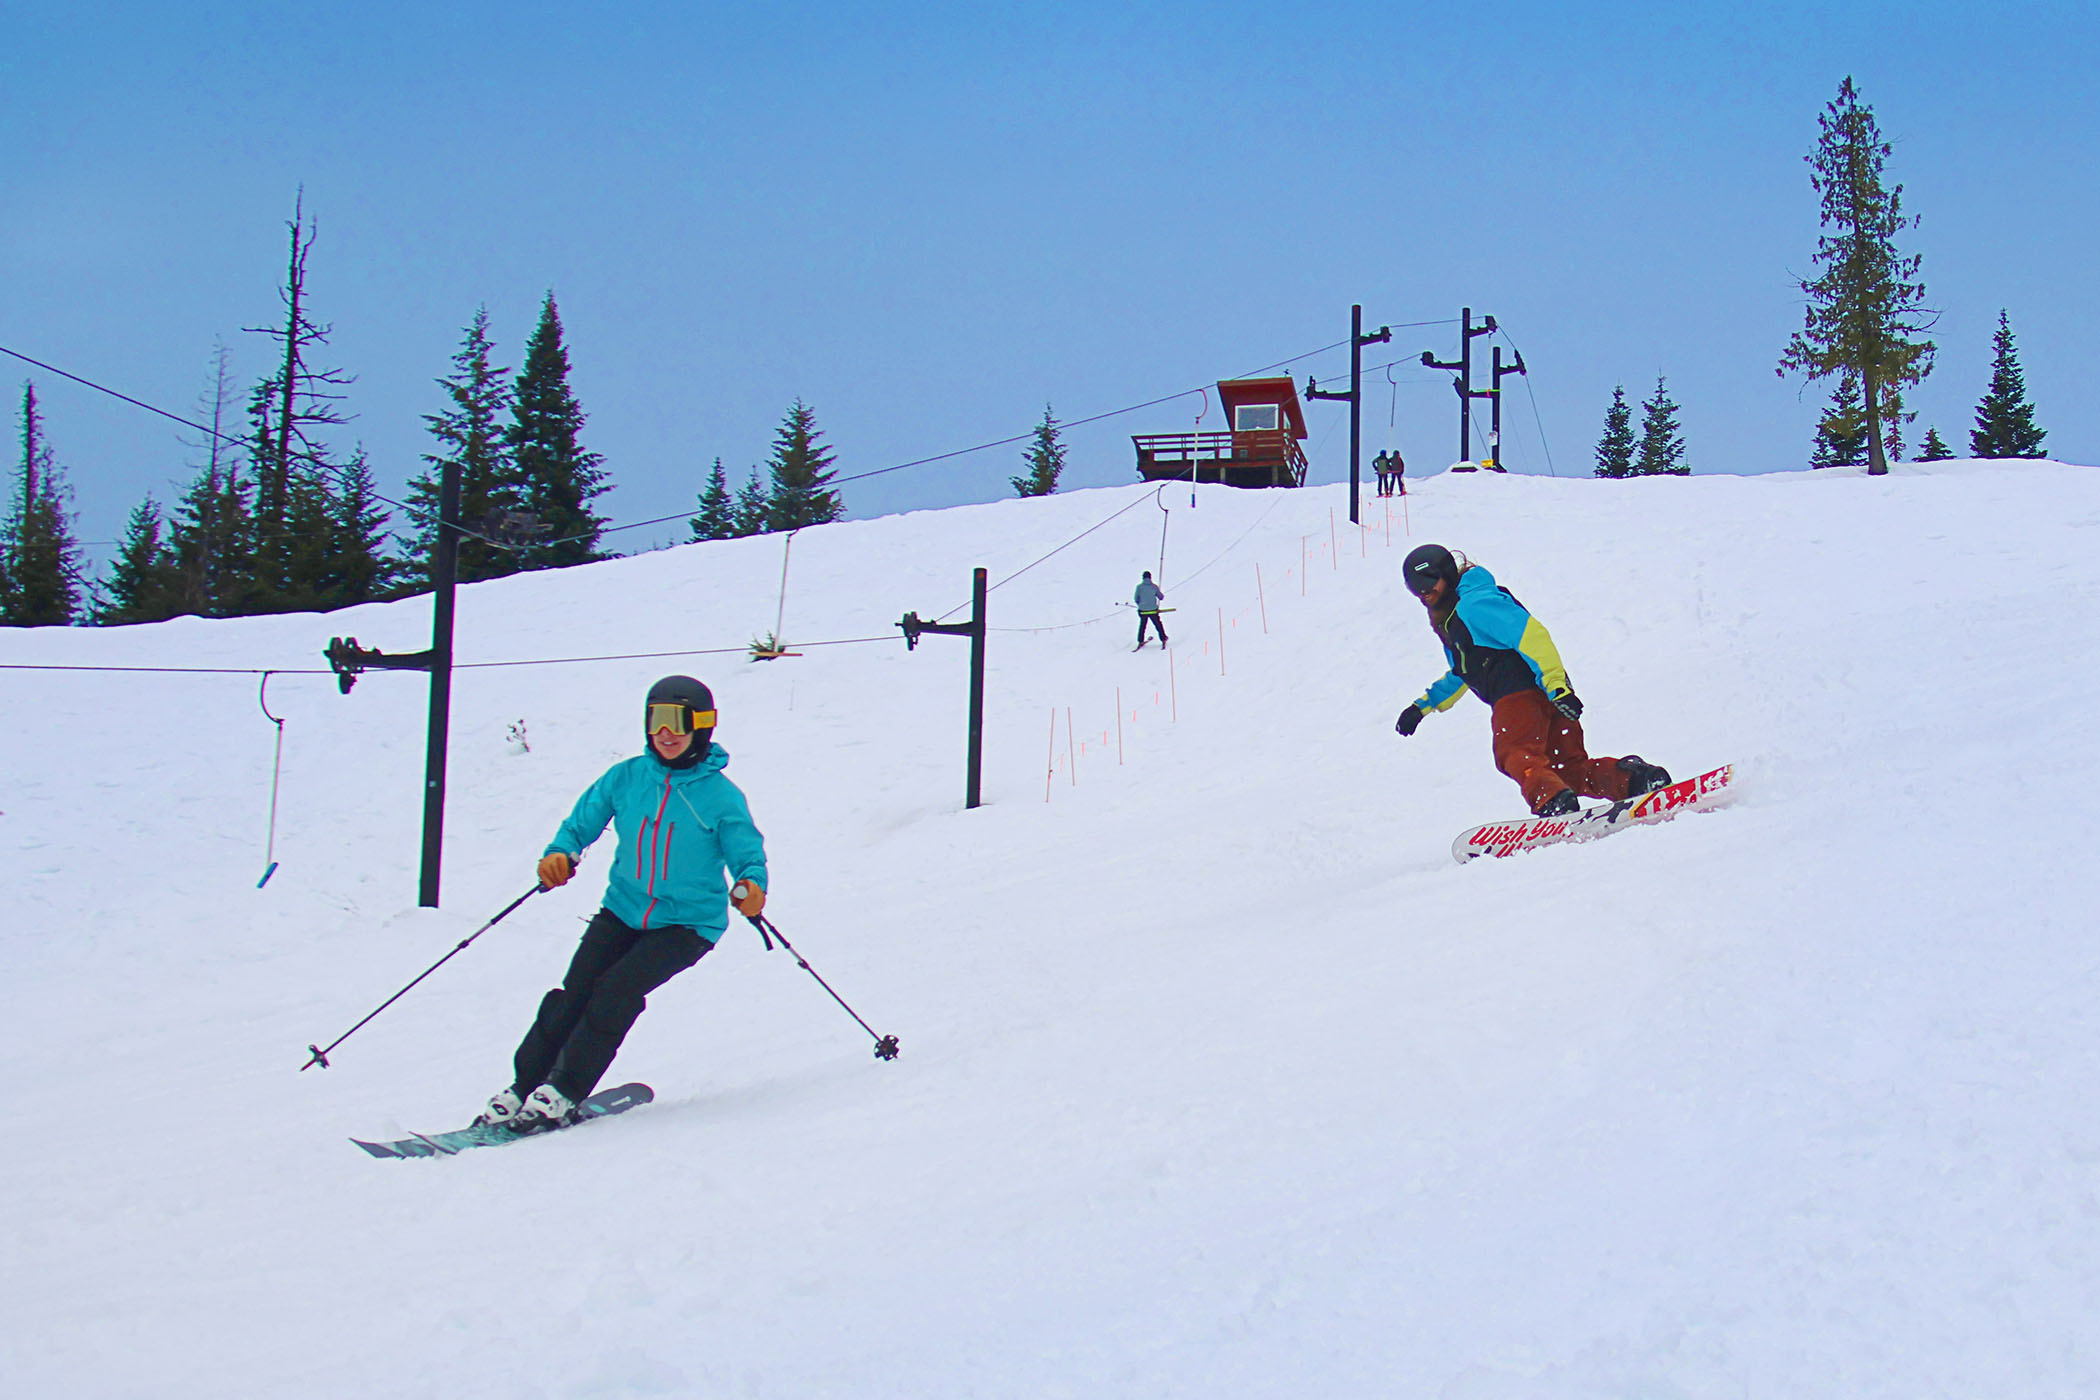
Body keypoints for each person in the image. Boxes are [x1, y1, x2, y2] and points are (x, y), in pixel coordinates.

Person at [478, 675, 768, 1132]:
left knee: (614, 992)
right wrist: (560, 853)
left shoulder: (720, 796)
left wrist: (752, 886)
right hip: (623, 909)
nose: (665, 733)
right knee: (573, 993)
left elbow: (747, 854)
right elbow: (579, 824)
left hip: (687, 925)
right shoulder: (628, 777)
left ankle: (564, 1091)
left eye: (677, 722)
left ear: (702, 727)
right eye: (656, 721)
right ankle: (523, 1087)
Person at [1391, 544, 1670, 816]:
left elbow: (1531, 636)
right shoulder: (1454, 616)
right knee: (1566, 769)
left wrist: (1556, 686)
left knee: (1513, 753)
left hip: (1519, 695)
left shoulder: (1473, 605)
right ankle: (1634, 780)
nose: (1424, 593)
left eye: (1429, 583)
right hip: (1544, 692)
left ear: (1448, 574)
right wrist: (1422, 707)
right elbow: (1464, 671)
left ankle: (1552, 801)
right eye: (1415, 588)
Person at [1134, 570, 1169, 649]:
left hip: (1142, 611)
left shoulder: (1139, 587)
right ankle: (1163, 638)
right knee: (1158, 624)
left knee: (1142, 625)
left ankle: (1140, 640)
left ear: (1143, 578)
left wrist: (1140, 605)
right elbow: (1161, 597)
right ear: (1150, 578)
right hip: (1153, 610)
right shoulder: (1154, 586)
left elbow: (1136, 599)